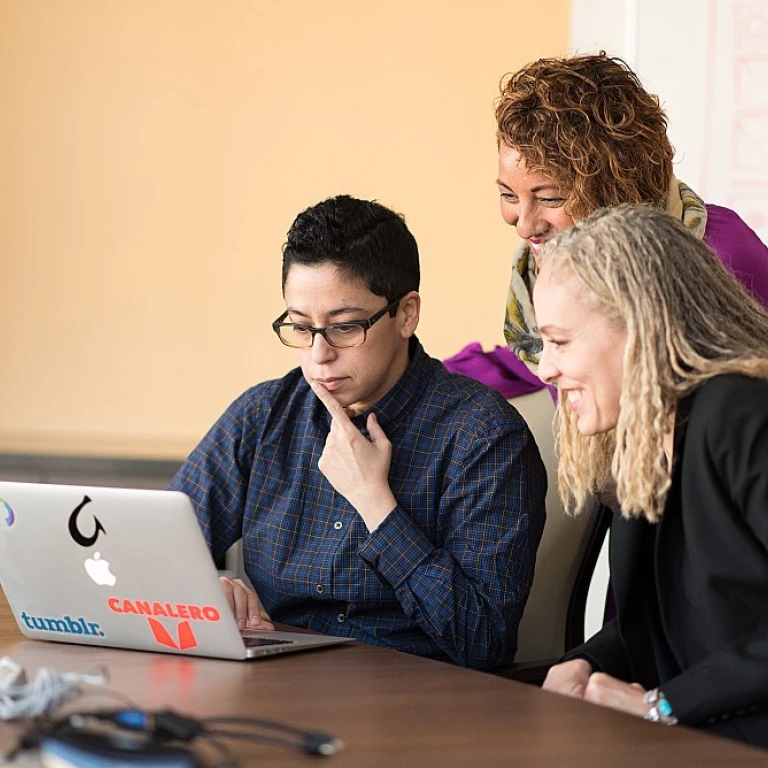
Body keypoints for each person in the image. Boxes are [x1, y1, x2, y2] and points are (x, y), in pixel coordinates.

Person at [170, 195, 547, 669]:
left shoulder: (483, 437)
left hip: (422, 702)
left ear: (406, 314)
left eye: (344, 328)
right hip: (280, 687)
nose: (319, 355)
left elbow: (482, 640)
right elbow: (159, 550)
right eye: (301, 328)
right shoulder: (264, 416)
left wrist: (375, 503)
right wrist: (204, 589)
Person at [533, 204, 768, 748]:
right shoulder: (643, 441)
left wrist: (660, 706)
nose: (544, 368)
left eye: (560, 341)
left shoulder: (742, 413)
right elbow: (673, 622)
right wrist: (587, 661)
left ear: (639, 327)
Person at [494, 51, 768, 371]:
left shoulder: (721, 254)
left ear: (615, 189)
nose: (524, 227)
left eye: (551, 199)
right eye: (508, 195)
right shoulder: (544, 268)